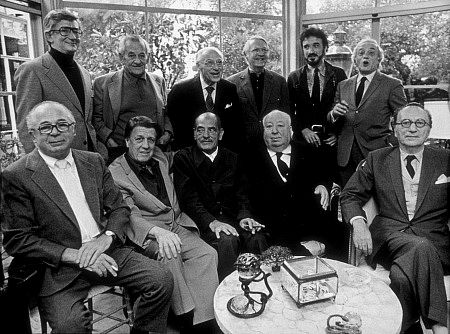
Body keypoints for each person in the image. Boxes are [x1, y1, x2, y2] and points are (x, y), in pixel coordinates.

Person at [1, 101, 173, 334]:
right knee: (70, 325)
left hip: (108, 251)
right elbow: (18, 240)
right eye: (45, 127)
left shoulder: (93, 161)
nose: (55, 132)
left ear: (73, 129)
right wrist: (79, 256)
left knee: (161, 279)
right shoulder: (17, 175)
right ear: (32, 134)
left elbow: (120, 209)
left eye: (62, 124)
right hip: (60, 268)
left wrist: (106, 239)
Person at [340, 103, 449, 334]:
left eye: (419, 123)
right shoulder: (376, 158)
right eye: (405, 123)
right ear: (395, 129)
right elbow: (349, 195)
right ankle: (439, 326)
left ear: (428, 130)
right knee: (420, 247)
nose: (412, 128)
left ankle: (406, 328)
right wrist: (359, 223)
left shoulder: (445, 160)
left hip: (435, 242)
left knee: (400, 276)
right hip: (389, 239)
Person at [108, 116, 219, 333]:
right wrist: (156, 232)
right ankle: (185, 318)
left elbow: (184, 155)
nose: (146, 145)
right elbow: (127, 214)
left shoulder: (159, 157)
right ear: (127, 141)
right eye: (139, 139)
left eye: (151, 139)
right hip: (146, 233)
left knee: (207, 253)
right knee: (170, 255)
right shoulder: (115, 172)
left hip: (174, 224)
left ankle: (204, 320)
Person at [173, 112, 268, 281]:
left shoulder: (233, 158)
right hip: (204, 222)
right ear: (194, 133)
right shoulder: (183, 158)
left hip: (233, 219)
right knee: (227, 241)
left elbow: (242, 194)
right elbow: (189, 200)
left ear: (221, 133)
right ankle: (227, 294)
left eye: (212, 130)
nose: (206, 135)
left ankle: (259, 287)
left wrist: (245, 217)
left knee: (257, 237)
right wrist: (213, 222)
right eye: (201, 130)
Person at [246, 110, 348, 260]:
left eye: (280, 126)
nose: (274, 131)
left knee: (340, 233)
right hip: (273, 228)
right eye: (269, 126)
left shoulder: (308, 151)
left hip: (309, 223)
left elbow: (329, 174)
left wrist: (322, 184)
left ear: (291, 130)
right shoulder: (251, 158)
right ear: (263, 131)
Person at [14, 9, 98, 155]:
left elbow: (86, 121)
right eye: (64, 31)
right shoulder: (32, 70)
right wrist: (38, 167)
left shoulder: (85, 73)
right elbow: (26, 127)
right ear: (49, 36)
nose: (73, 36)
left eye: (76, 31)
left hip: (87, 158)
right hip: (54, 159)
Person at [327, 38, 407, 186]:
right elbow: (331, 116)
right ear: (355, 60)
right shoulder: (343, 85)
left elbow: (404, 119)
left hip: (377, 152)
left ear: (378, 60)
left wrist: (391, 144)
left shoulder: (392, 85)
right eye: (361, 53)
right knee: (349, 199)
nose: (365, 56)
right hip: (346, 155)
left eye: (371, 53)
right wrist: (334, 114)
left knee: (377, 201)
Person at [93, 35, 173, 164]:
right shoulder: (103, 83)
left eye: (142, 55)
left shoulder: (159, 81)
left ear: (147, 57)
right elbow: (96, 119)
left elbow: (166, 113)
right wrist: (110, 141)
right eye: (131, 55)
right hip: (119, 154)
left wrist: (167, 134)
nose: (137, 61)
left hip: (154, 152)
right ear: (121, 57)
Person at [287, 27, 347, 185]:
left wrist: (337, 134)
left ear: (325, 48)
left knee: (330, 191)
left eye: (315, 45)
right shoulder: (294, 77)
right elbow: (288, 110)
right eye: (306, 47)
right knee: (305, 190)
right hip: (302, 144)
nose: (310, 51)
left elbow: (345, 106)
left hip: (329, 144)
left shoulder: (339, 74)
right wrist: (302, 129)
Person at [167, 47, 242, 152]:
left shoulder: (230, 89)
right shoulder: (180, 90)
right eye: (209, 63)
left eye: (219, 63)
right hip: (189, 156)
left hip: (222, 157)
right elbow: (176, 128)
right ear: (198, 66)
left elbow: (235, 125)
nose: (216, 67)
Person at [227, 36, 289, 149]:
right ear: (245, 55)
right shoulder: (232, 82)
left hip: (272, 144)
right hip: (242, 145)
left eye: (264, 50)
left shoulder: (279, 81)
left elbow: (286, 114)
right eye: (256, 50)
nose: (261, 54)